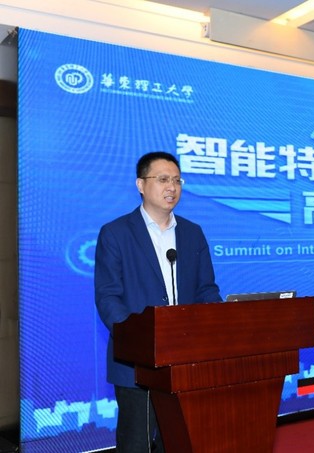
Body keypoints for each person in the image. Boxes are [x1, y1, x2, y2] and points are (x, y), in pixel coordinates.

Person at [95, 151, 222, 452]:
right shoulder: (116, 233)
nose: (172, 187)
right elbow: (108, 296)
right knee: (137, 445)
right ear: (141, 184)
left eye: (177, 180)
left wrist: (222, 323)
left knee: (178, 442)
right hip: (136, 364)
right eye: (163, 179)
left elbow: (206, 290)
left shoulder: (193, 233)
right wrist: (137, 338)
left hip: (185, 361)